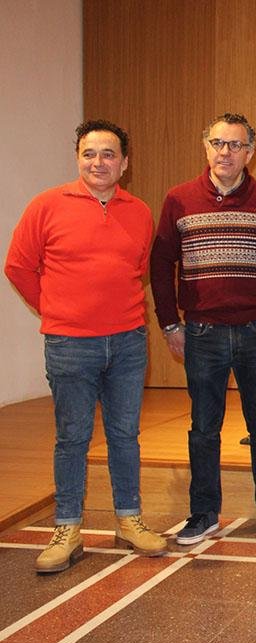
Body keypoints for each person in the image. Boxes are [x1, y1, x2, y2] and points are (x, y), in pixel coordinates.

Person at [5, 120, 168, 572]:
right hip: (69, 343)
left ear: (125, 163)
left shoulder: (139, 211)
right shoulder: (46, 205)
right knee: (72, 437)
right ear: (78, 158)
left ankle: (129, 520)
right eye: (89, 153)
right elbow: (19, 266)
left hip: (128, 342)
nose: (99, 162)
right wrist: (57, 311)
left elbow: (137, 270)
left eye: (108, 154)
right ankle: (67, 527)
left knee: (124, 435)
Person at [149, 113, 256, 545]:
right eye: (218, 143)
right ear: (206, 148)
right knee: (204, 429)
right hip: (202, 335)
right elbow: (160, 264)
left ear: (250, 153)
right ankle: (203, 514)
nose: (226, 152)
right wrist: (170, 324)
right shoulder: (179, 200)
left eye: (236, 145)